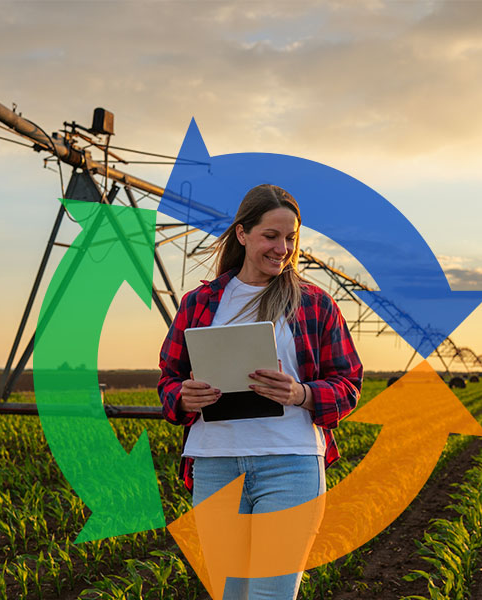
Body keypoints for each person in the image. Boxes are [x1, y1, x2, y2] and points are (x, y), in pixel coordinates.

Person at [157, 183, 363, 600]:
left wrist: (301, 393)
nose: (283, 248)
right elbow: (168, 377)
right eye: (271, 235)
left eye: (290, 238)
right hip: (216, 465)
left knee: (270, 596)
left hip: (290, 464)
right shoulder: (201, 302)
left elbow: (349, 383)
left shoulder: (314, 303)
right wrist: (182, 396)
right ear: (242, 234)